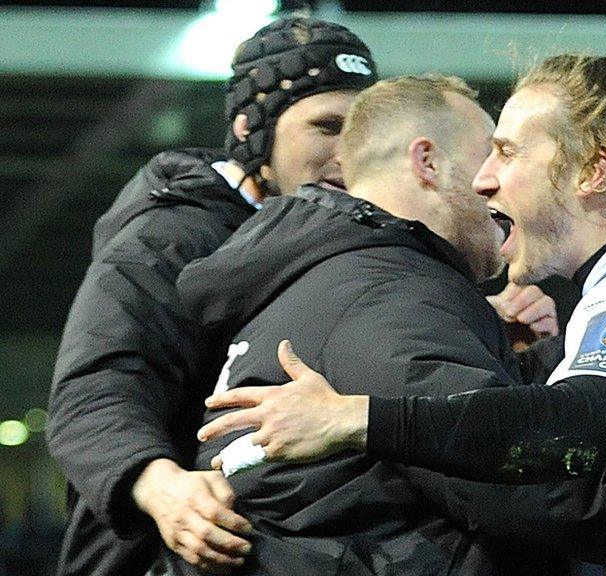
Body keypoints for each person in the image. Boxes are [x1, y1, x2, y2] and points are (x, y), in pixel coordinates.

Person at [199, 47, 606, 575]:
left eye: (506, 152)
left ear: (593, 170)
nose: (483, 179)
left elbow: (572, 434)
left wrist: (358, 419)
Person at [45, 17, 378, 575]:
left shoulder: (327, 243)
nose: (350, 152)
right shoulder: (169, 239)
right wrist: (161, 487)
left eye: (365, 130)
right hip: (154, 556)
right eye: (326, 126)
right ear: (252, 131)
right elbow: (94, 392)